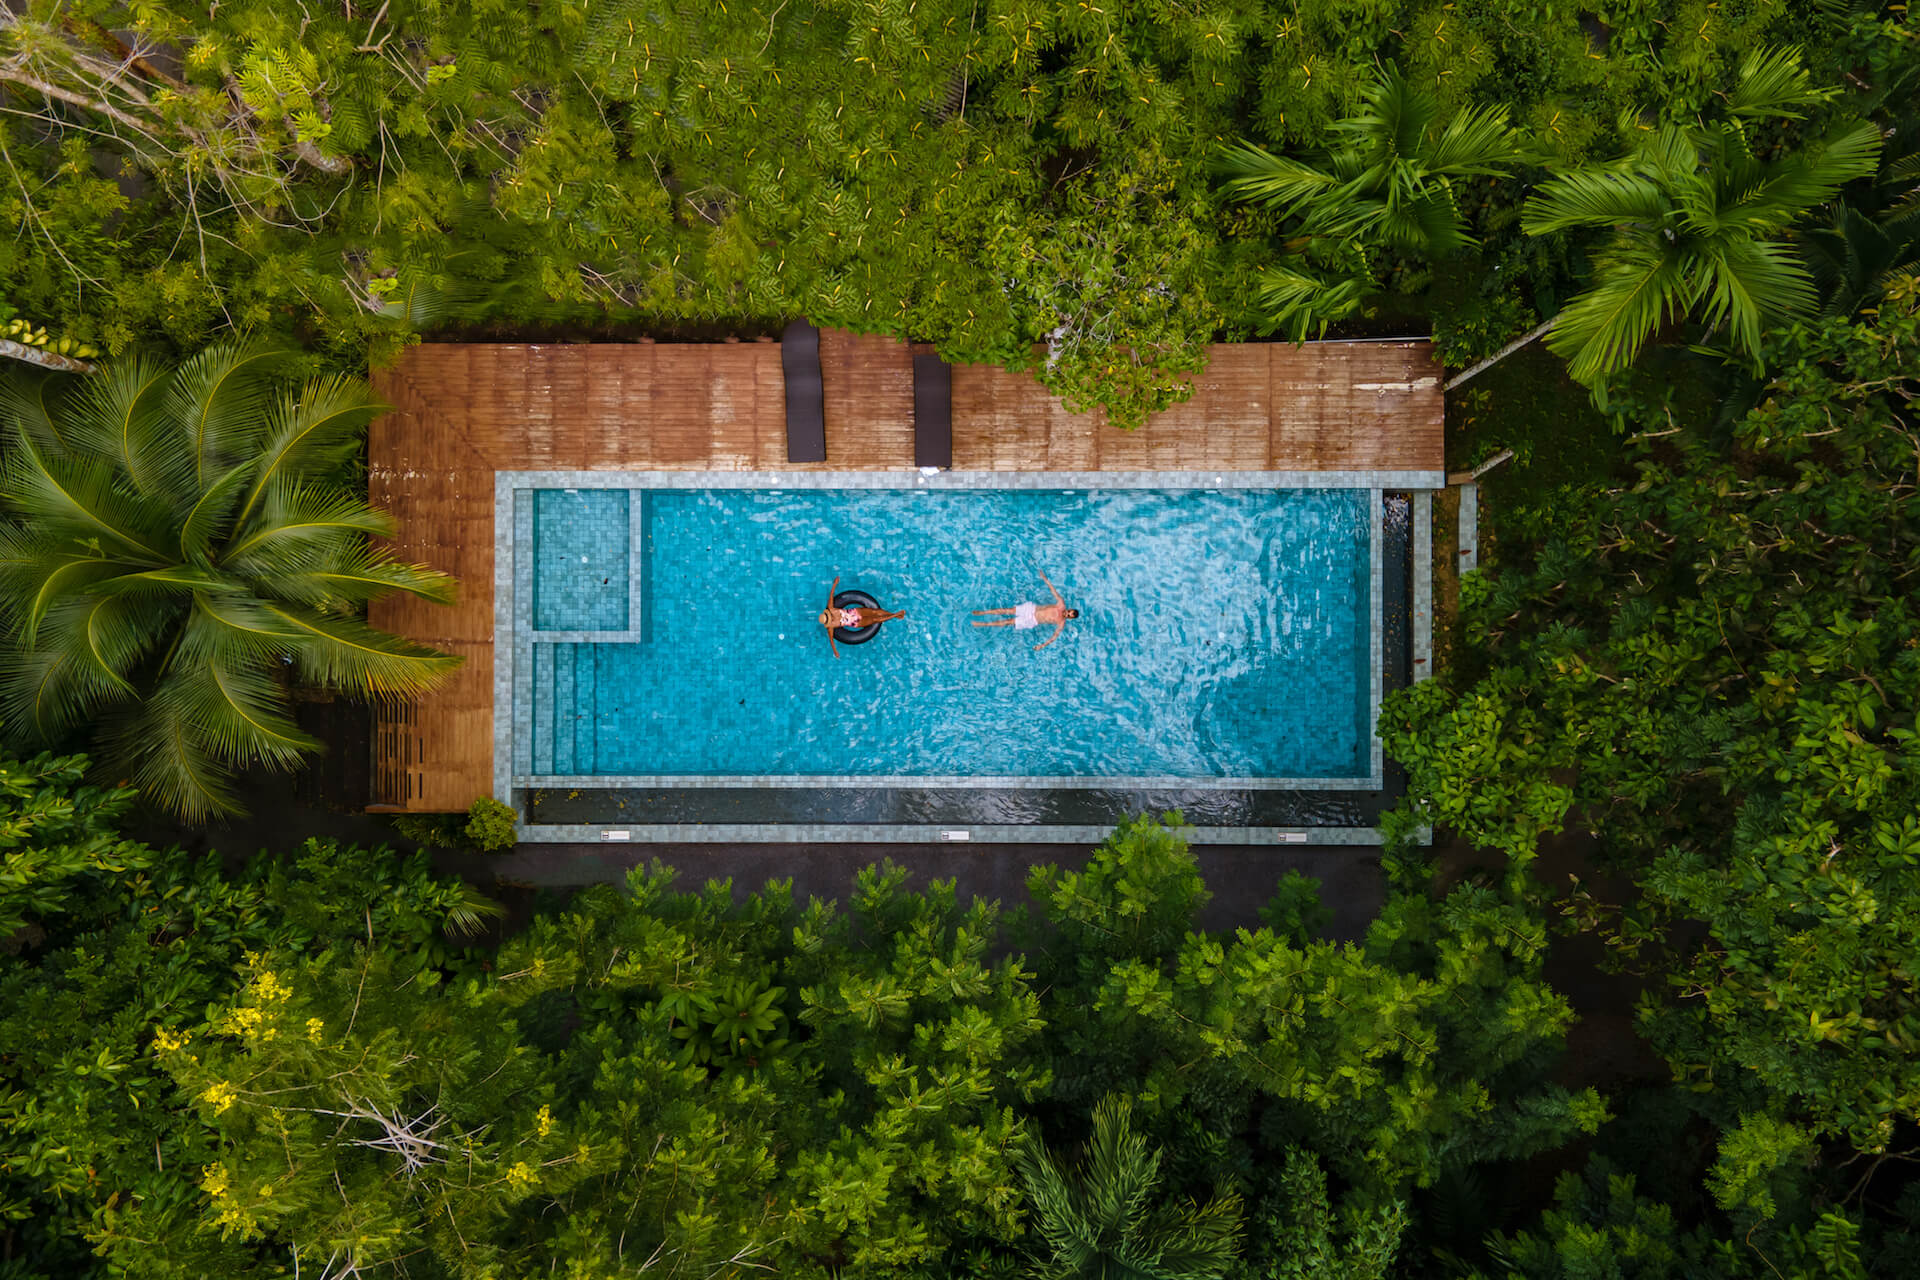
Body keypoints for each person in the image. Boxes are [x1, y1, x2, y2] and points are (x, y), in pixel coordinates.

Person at [973, 569, 1078, 651]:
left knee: (1008, 622)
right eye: (1069, 611)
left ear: (1070, 618)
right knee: (1008, 610)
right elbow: (1053, 591)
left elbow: (1054, 637)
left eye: (1069, 615)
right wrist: (1045, 579)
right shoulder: (1061, 604)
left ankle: (982, 624)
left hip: (1032, 621)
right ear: (1069, 609)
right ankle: (983, 612)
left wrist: (1041, 646)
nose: (1067, 613)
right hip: (1031, 609)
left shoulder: (1061, 622)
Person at [818, 576, 905, 658]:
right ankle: (896, 615)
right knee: (875, 619)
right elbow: (831, 640)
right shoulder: (831, 627)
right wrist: (835, 651)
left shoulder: (831, 608)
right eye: (829, 620)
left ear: (828, 614)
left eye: (829, 617)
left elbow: (831, 595)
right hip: (855, 622)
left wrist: (835, 583)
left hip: (855, 612)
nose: (832, 619)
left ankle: (895, 614)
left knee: (875, 612)